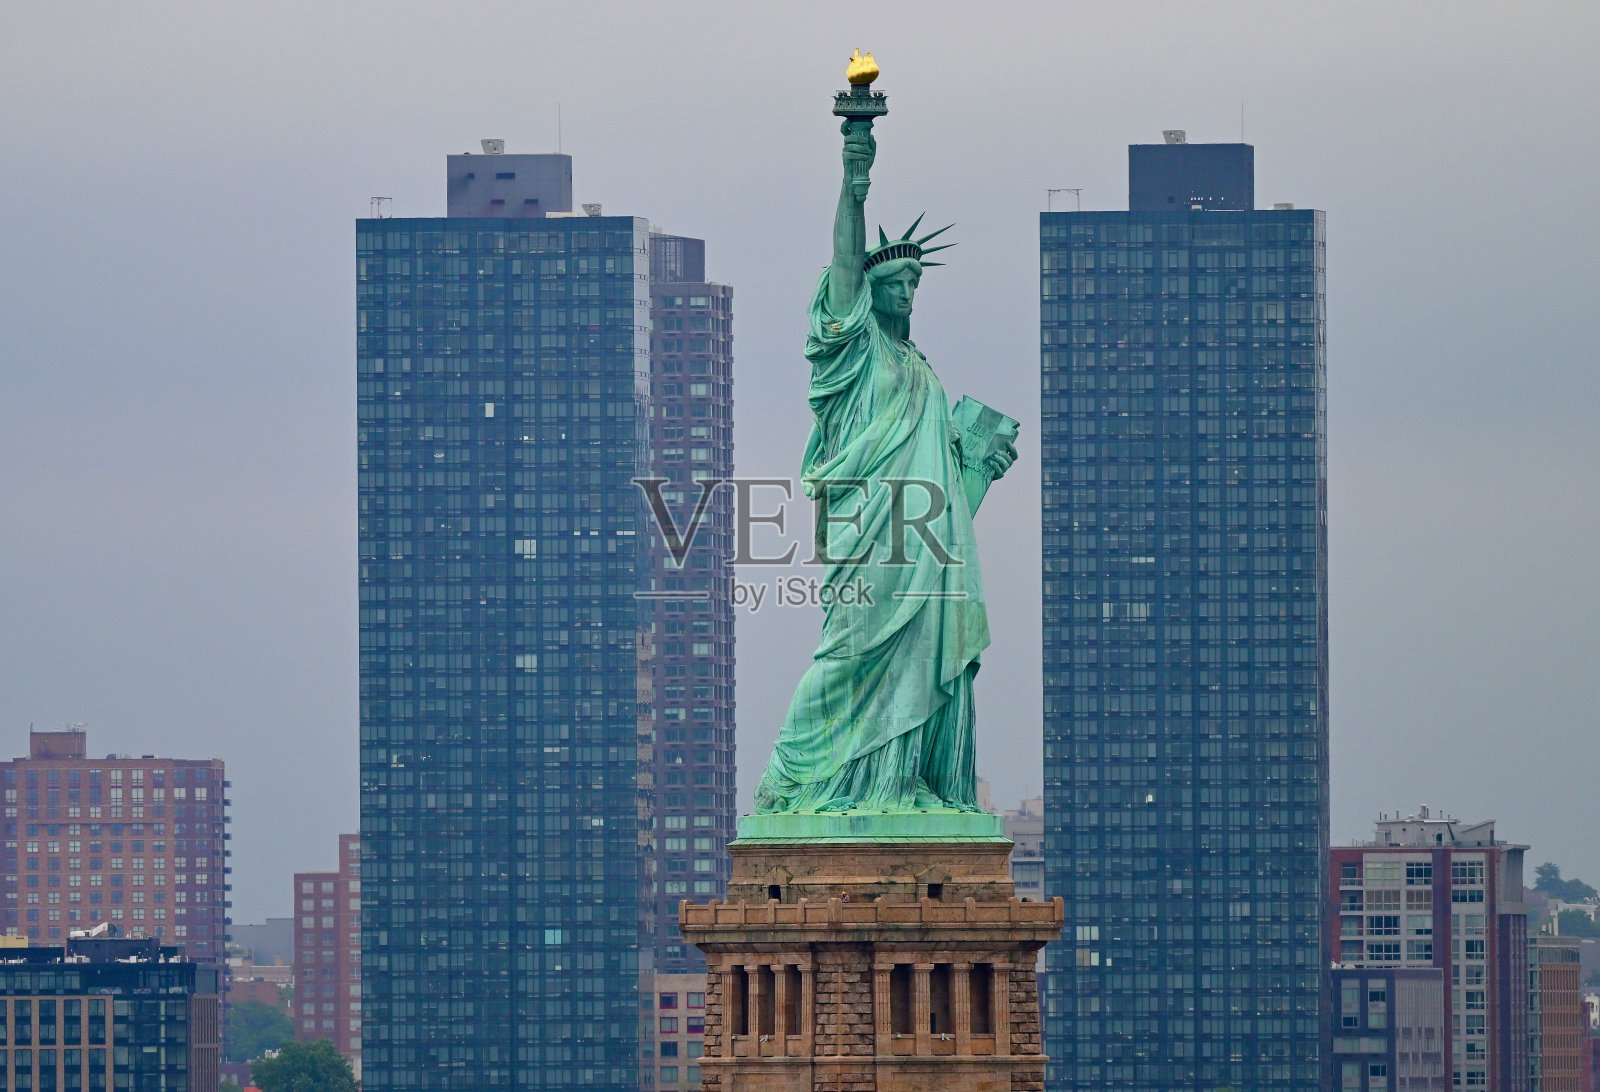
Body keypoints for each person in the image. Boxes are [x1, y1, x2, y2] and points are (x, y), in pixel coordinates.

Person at [752, 120, 1016, 815]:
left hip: (925, 547)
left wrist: (982, 464)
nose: (905, 292)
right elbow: (846, 258)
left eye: (913, 282)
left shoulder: (923, 374)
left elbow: (945, 499)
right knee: (850, 651)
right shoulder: (857, 350)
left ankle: (901, 783)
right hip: (868, 535)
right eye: (894, 281)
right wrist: (854, 177)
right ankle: (793, 776)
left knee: (920, 657)